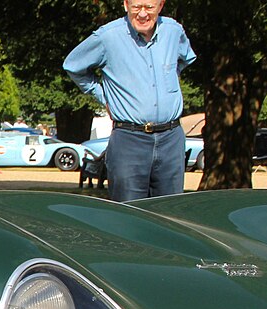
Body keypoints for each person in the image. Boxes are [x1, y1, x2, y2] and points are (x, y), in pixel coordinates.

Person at [64, 0, 197, 202]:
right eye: (137, 7)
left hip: (171, 139)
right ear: (126, 4)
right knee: (129, 213)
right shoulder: (107, 37)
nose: (142, 14)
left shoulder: (173, 31)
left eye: (149, 8)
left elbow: (185, 58)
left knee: (171, 213)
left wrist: (165, 84)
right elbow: (73, 66)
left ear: (160, 6)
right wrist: (104, 96)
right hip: (129, 139)